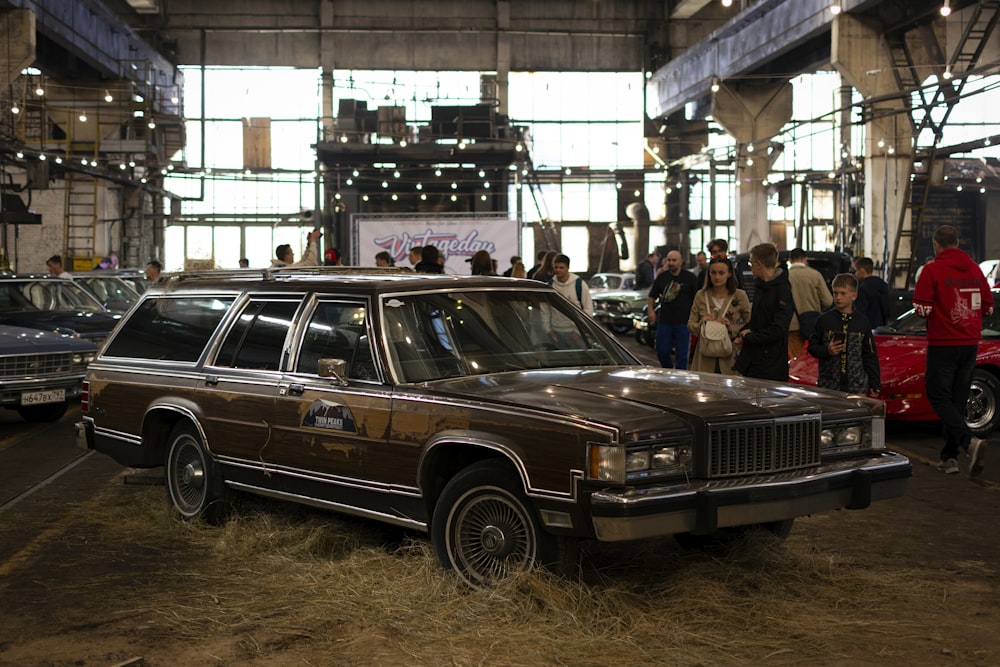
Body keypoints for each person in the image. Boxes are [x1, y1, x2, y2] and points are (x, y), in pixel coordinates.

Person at [913, 225, 993, 476]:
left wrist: (938, 308)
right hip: (970, 344)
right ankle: (950, 458)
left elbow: (921, 308)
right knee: (957, 401)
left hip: (944, 343)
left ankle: (969, 442)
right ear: (957, 242)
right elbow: (988, 307)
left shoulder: (932, 270)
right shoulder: (975, 269)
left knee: (938, 397)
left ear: (936, 244)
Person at [806, 273, 880, 397]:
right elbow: (812, 347)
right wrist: (827, 350)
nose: (838, 297)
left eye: (843, 293)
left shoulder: (862, 322)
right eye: (835, 293)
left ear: (854, 295)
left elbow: (870, 355)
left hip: (857, 386)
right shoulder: (824, 320)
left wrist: (875, 383)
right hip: (829, 386)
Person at [733, 242, 794, 381]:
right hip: (754, 359)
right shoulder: (761, 286)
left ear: (759, 264)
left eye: (751, 263)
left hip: (771, 364)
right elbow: (757, 320)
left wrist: (750, 337)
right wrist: (743, 333)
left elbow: (779, 329)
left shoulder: (782, 290)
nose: (751, 267)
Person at [687, 257, 751, 374]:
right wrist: (702, 324)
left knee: (728, 388)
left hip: (729, 352)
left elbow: (750, 322)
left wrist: (732, 327)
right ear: (709, 274)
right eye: (713, 273)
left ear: (729, 274)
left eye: (721, 273)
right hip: (705, 354)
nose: (717, 277)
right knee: (705, 387)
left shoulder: (740, 295)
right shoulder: (701, 295)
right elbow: (691, 324)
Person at [647, 249, 698, 369]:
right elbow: (652, 296)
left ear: (680, 261)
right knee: (662, 351)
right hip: (665, 321)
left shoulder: (690, 278)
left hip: (683, 322)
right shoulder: (662, 277)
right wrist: (650, 310)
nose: (671, 263)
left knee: (682, 355)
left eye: (674, 260)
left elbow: (697, 299)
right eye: (669, 260)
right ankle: (669, 371)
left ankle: (680, 379)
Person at [787, 247, 833, 358]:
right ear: (805, 259)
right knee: (811, 360)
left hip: (791, 326)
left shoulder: (785, 276)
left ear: (790, 260)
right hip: (813, 324)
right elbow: (828, 301)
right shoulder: (815, 275)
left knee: (795, 361)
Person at [853, 256, 890, 329]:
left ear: (862, 270)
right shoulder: (882, 284)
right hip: (882, 327)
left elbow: (861, 311)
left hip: (868, 327)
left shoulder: (862, 288)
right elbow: (887, 308)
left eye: (856, 271)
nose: (855, 274)